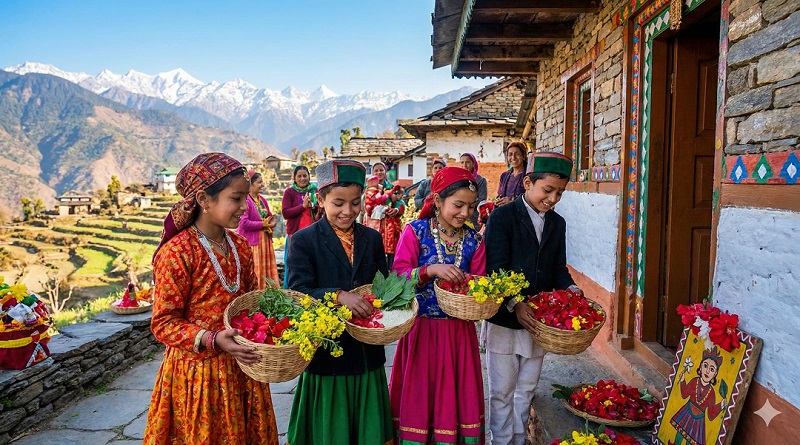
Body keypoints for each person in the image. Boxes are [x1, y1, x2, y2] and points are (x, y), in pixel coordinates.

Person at [144, 153, 278, 445]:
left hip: (243, 367)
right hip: (199, 375)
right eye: (237, 198)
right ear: (204, 199)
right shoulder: (178, 253)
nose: (245, 207)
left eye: (246, 198)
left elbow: (249, 303)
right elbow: (163, 323)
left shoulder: (241, 246)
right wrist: (213, 339)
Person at [286, 159, 393, 445]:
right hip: (327, 353)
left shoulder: (371, 238)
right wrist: (337, 295)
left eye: (355, 203)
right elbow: (297, 291)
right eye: (338, 203)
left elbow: (382, 284)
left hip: (365, 350)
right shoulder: (304, 241)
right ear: (320, 200)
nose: (348, 211)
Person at [482, 151, 579, 445]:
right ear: (527, 183)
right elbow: (495, 268)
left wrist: (572, 291)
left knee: (526, 388)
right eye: (547, 190)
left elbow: (558, 269)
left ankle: (518, 438)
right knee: (501, 390)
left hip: (538, 321)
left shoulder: (557, 224)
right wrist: (515, 303)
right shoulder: (503, 217)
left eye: (560, 193)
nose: (552, 199)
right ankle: (500, 440)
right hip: (505, 319)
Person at [390, 166, 486, 445]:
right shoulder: (416, 232)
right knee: (420, 393)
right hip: (421, 332)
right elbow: (397, 277)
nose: (465, 213)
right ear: (438, 200)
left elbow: (481, 284)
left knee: (455, 394)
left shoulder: (475, 241)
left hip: (458, 335)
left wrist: (472, 284)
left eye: (471, 206)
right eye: (458, 205)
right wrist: (429, 270)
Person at [670, 347, 728, 445]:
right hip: (687, 411)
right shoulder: (694, 381)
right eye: (705, 366)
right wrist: (683, 380)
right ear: (700, 367)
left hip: (699, 420)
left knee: (691, 440)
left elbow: (711, 414)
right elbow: (684, 394)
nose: (707, 371)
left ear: (715, 374)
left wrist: (721, 405)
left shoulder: (712, 392)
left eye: (712, 369)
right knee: (680, 433)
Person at [237, 171, 279, 288]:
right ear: (250, 184)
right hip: (253, 244)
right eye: (259, 182)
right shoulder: (246, 201)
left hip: (264, 243)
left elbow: (268, 215)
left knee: (266, 272)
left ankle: (268, 296)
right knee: (256, 271)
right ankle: (256, 296)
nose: (262, 185)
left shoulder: (262, 200)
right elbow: (243, 223)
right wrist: (263, 224)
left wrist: (272, 221)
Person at [281, 165, 318, 288]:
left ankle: (311, 289)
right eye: (299, 176)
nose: (302, 178)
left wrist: (316, 207)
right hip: (295, 234)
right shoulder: (290, 192)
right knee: (293, 263)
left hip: (313, 234)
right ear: (294, 178)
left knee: (313, 262)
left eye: (305, 175)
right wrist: (302, 206)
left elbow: (320, 212)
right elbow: (286, 213)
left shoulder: (315, 191)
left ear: (309, 176)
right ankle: (292, 288)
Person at [496, 141, 529, 206]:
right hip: (506, 213)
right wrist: (498, 201)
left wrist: (512, 200)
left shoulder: (529, 175)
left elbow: (533, 197)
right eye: (510, 154)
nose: (513, 157)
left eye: (517, 154)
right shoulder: (504, 176)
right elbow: (500, 195)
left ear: (523, 155)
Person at [381, 185, 406, 268]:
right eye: (400, 195)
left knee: (393, 249)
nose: (401, 197)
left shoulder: (400, 203)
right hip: (383, 229)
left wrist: (397, 210)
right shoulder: (386, 199)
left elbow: (401, 208)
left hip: (393, 231)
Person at [460, 152, 488, 227]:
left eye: (467, 162)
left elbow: (482, 200)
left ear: (473, 164)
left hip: (474, 218)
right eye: (462, 162)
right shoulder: (458, 180)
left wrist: (464, 204)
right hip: (460, 217)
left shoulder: (480, 181)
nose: (464, 165)